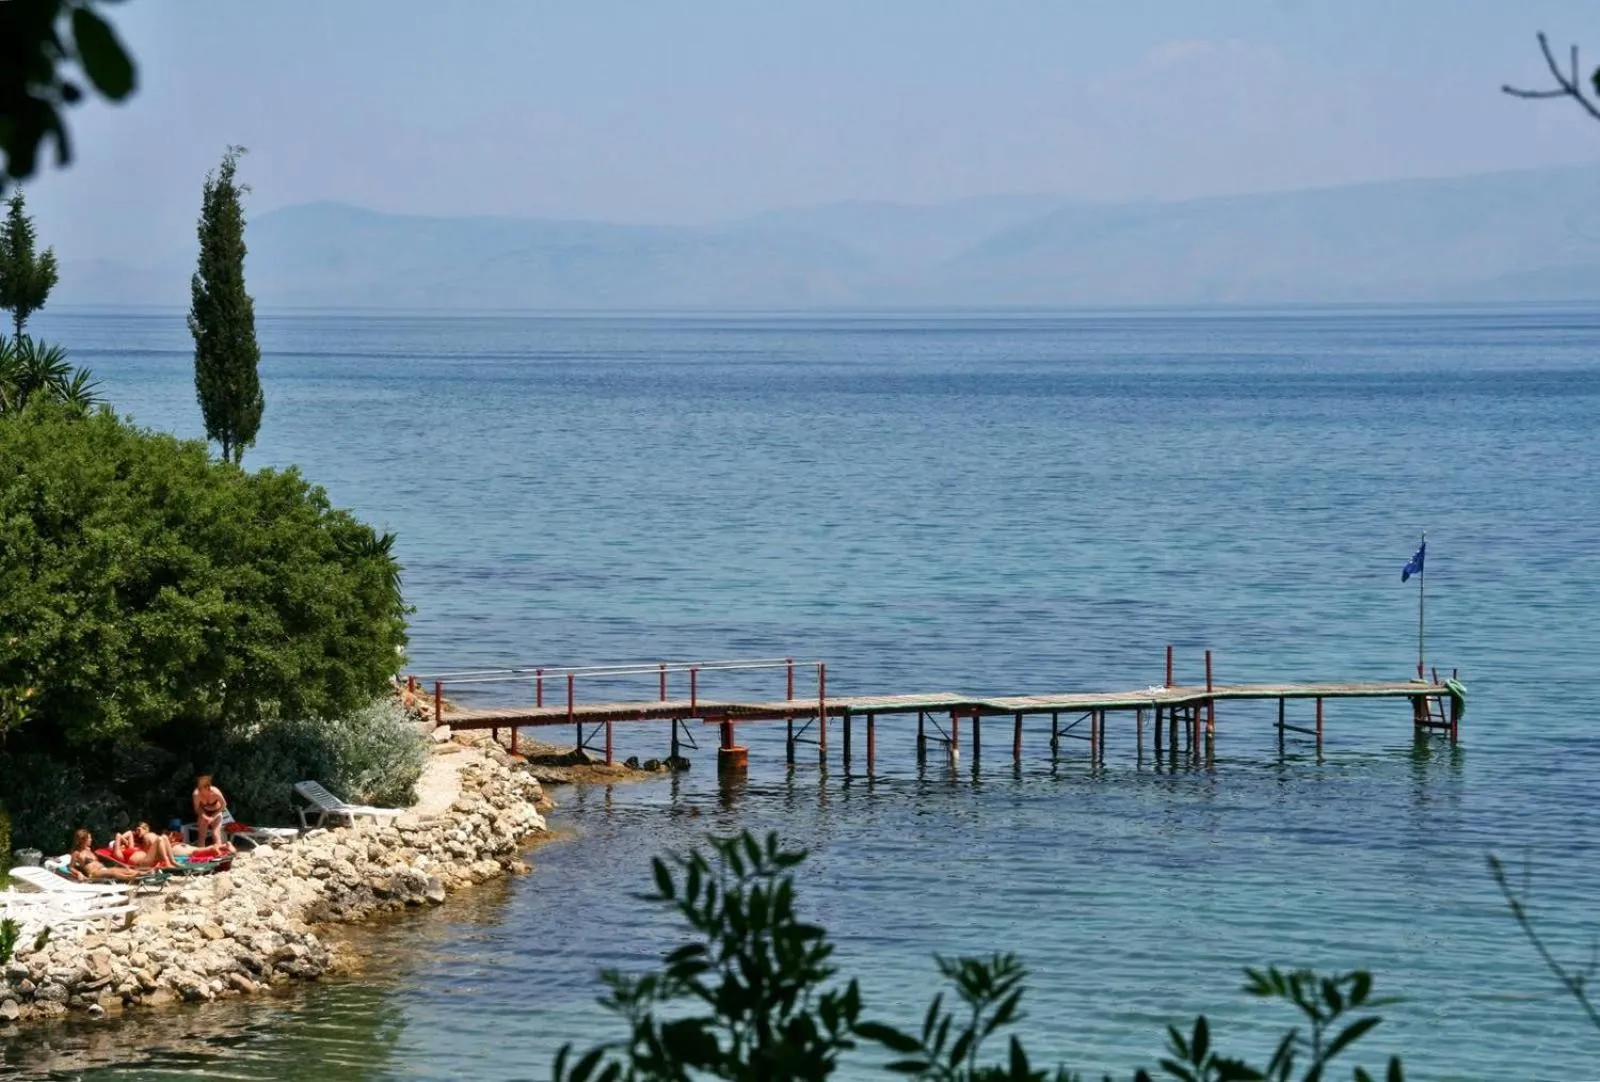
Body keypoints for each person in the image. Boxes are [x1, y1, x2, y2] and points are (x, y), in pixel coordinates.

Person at [68, 829, 145, 881]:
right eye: (89, 838)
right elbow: (70, 867)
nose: (91, 840)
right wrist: (78, 873)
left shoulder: (89, 850)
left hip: (103, 869)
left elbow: (102, 859)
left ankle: (145, 874)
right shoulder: (76, 853)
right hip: (94, 873)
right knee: (114, 872)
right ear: (83, 840)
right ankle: (134, 878)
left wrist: (121, 864)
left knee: (125, 869)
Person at [111, 821, 190, 868]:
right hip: (142, 863)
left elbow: (130, 833)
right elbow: (118, 835)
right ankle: (167, 862)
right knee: (159, 839)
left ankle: (172, 862)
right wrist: (121, 842)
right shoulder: (120, 855)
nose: (122, 845)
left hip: (148, 858)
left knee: (164, 837)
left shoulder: (130, 847)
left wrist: (125, 841)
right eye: (119, 845)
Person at [192, 774, 232, 850]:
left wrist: (213, 816)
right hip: (204, 813)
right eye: (199, 788)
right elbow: (197, 809)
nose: (199, 790)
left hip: (217, 812)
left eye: (201, 789)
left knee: (215, 834)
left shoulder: (215, 792)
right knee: (202, 836)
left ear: (207, 787)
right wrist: (204, 816)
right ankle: (201, 854)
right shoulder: (196, 794)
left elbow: (224, 805)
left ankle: (221, 854)